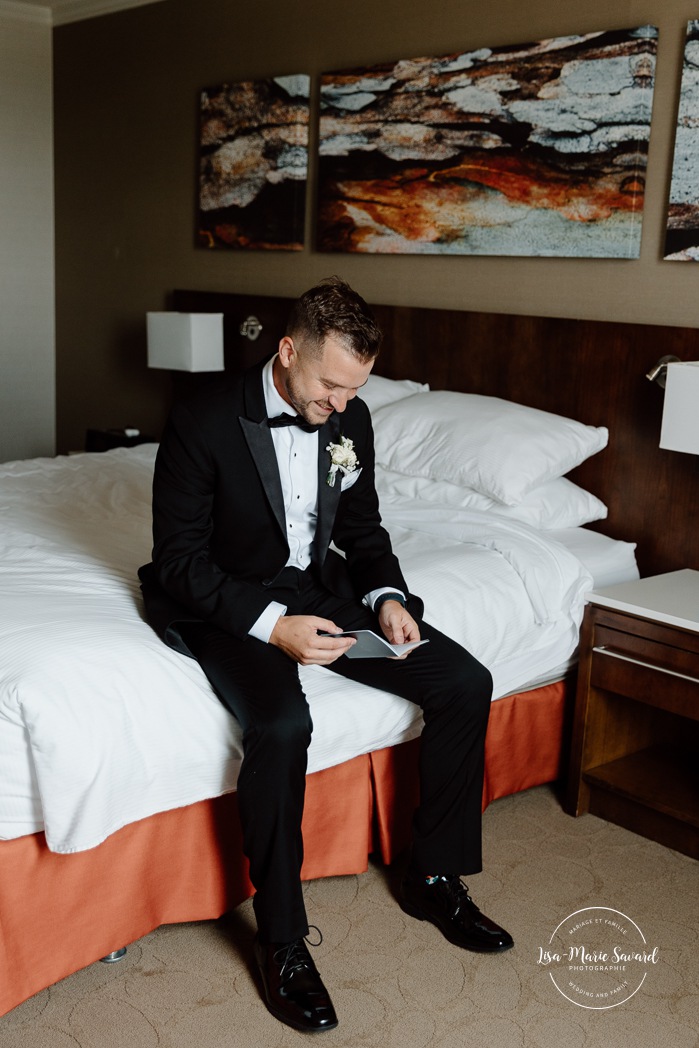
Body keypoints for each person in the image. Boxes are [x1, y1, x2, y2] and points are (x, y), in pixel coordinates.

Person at [138, 277, 513, 1034]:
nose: (341, 404)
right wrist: (273, 627)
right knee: (280, 727)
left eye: (355, 390)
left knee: (465, 681)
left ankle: (432, 874)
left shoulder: (352, 417)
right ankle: (280, 940)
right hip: (221, 595)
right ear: (287, 351)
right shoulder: (203, 417)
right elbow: (177, 560)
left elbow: (364, 531)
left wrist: (386, 598)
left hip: (316, 583)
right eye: (329, 385)